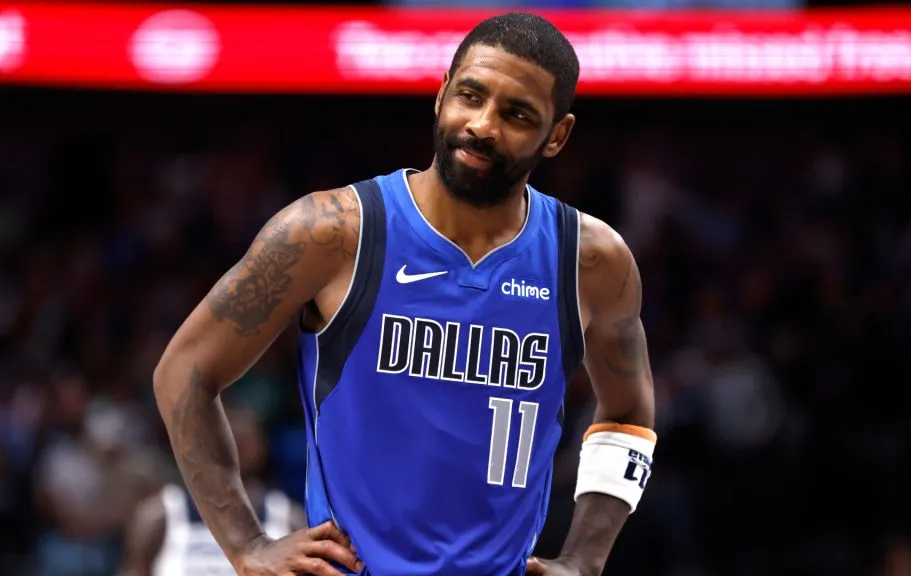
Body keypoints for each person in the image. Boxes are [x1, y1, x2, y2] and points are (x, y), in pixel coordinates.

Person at [153, 12, 657, 576]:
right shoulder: (332, 231)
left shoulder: (591, 261)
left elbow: (628, 411)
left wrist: (586, 558)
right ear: (441, 96)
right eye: (471, 95)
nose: (483, 125)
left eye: (517, 114)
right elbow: (185, 372)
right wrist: (246, 545)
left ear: (557, 135)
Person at [117, 407, 305, 576]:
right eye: (225, 439)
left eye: (241, 440)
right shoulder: (159, 517)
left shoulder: (288, 518)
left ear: (260, 447)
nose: (233, 449)